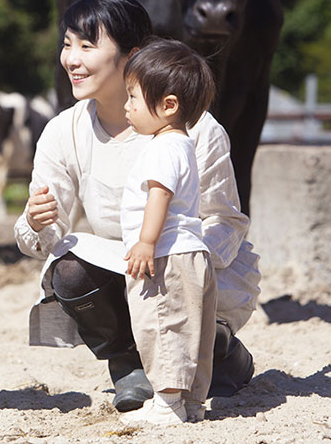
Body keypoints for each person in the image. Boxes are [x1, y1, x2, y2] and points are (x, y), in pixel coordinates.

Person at [14, 0, 259, 417]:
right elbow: (47, 233)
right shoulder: (62, 131)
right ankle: (128, 363)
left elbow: (226, 222)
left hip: (189, 263)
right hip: (122, 263)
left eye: (87, 46)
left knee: (195, 344)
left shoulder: (197, 130)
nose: (71, 59)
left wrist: (180, 263)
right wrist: (36, 222)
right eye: (67, 44)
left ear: (133, 54)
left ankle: (218, 346)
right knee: (68, 270)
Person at [118, 38, 217, 425]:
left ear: (169, 105)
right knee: (193, 329)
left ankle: (168, 403)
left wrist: (146, 242)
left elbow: (158, 196)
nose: (126, 107)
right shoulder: (182, 144)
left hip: (167, 255)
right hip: (191, 251)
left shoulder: (162, 148)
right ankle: (191, 401)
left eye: (133, 98)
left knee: (163, 324)